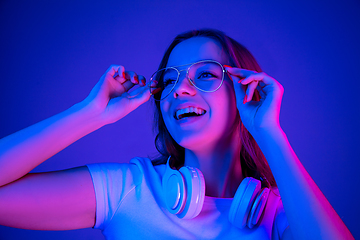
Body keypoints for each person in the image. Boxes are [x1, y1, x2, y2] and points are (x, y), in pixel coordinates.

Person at [0, 29, 354, 240]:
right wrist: (91, 113)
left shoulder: (279, 212)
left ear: (244, 94)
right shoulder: (127, 189)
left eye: (204, 75)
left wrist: (269, 133)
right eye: (170, 80)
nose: (179, 90)